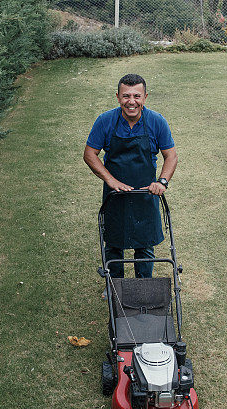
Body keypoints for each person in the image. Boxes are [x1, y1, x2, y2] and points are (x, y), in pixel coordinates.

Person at [83, 73, 178, 281]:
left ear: (145, 97)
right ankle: (114, 286)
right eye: (126, 96)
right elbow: (90, 154)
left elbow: (170, 155)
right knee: (114, 244)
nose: (131, 101)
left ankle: (143, 285)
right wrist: (111, 180)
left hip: (146, 193)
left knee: (144, 244)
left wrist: (161, 181)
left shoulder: (156, 121)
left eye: (137, 96)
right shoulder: (105, 121)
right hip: (115, 195)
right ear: (118, 97)